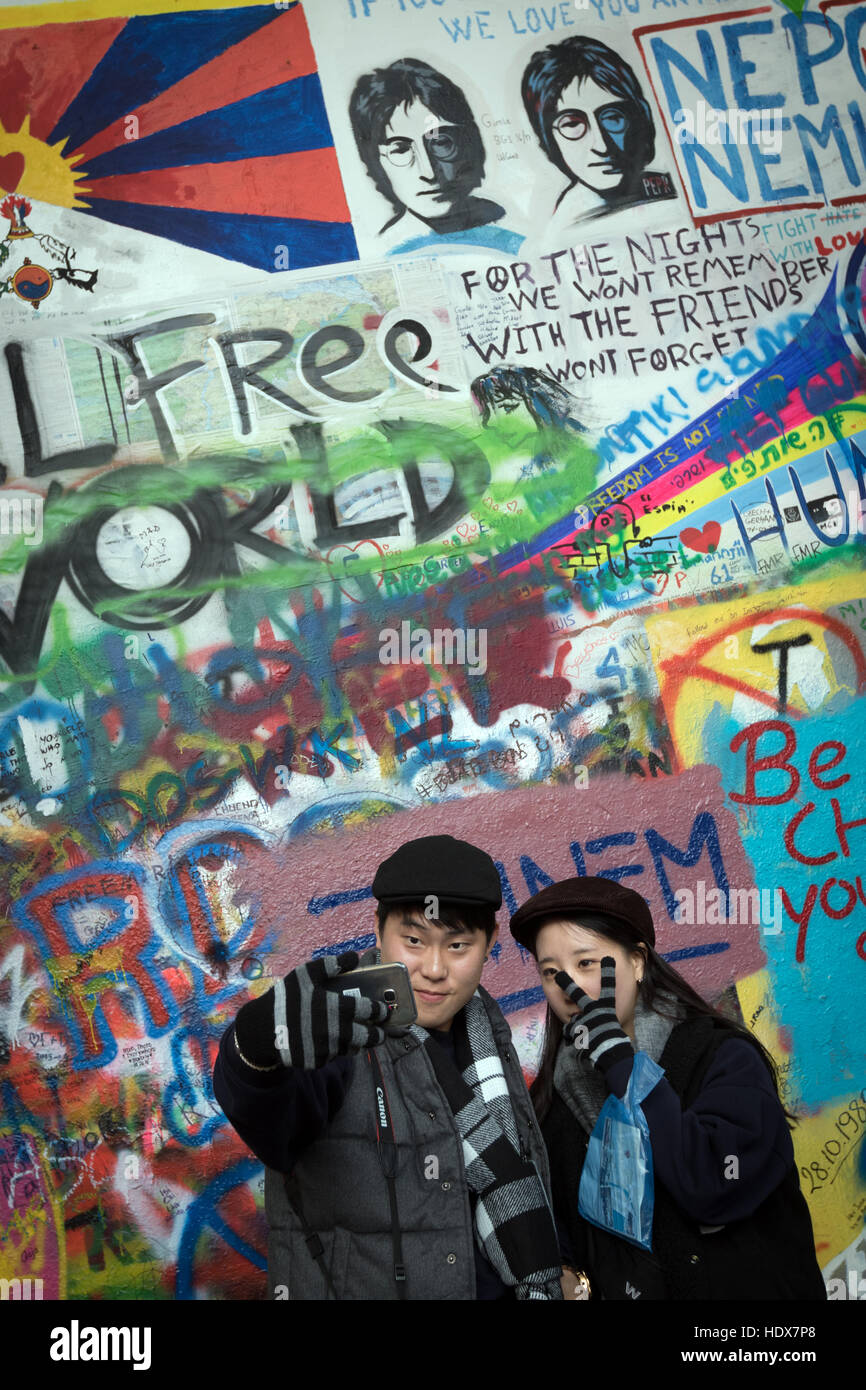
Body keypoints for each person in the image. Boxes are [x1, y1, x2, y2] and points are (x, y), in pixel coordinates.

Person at [213, 834, 563, 1299]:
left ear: (489, 944)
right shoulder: (336, 1033)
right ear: (378, 931)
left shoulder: (489, 1033)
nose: (434, 969)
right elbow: (267, 1109)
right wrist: (254, 1046)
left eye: (458, 946)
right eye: (414, 941)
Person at [510, 876, 827, 1300]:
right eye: (552, 974)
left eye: (587, 964)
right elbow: (557, 1226)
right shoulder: (553, 1099)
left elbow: (712, 1184)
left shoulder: (721, 1056)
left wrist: (622, 1064)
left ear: (638, 962)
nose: (571, 988)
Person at [349, 58, 522, 254]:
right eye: (400, 150)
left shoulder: (512, 228)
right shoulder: (389, 248)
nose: (429, 172)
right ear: (375, 163)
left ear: (469, 142)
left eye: (440, 142)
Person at [521, 36, 675, 231]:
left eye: (613, 118)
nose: (602, 146)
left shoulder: (668, 191)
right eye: (572, 124)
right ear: (549, 140)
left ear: (640, 118)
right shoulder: (564, 226)